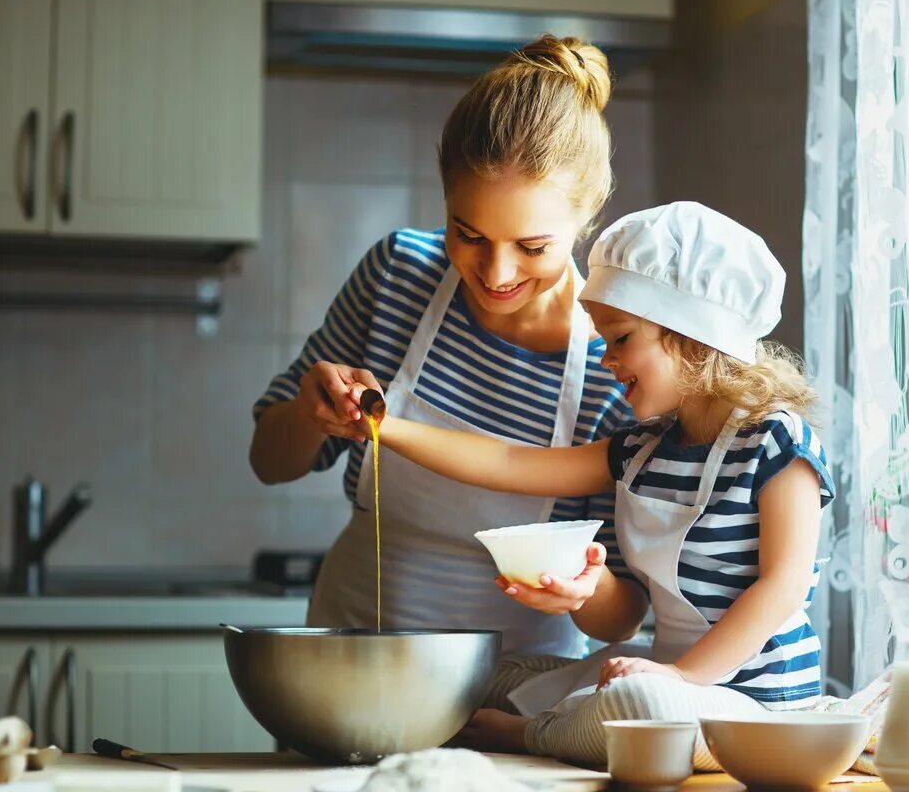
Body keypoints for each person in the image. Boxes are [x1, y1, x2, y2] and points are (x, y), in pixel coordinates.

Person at [366, 202, 836, 769]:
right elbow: (512, 462)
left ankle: (529, 734)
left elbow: (783, 586)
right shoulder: (642, 449)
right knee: (496, 672)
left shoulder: (777, 443)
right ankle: (567, 718)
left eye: (620, 338)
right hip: (667, 679)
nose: (607, 359)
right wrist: (381, 426)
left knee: (642, 702)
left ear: (689, 334)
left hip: (758, 707)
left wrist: (682, 677)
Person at [248, 36, 641, 684]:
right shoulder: (398, 276)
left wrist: (583, 590)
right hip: (348, 664)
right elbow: (268, 461)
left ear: (587, 214)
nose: (496, 272)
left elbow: (621, 614)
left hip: (514, 696)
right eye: (469, 234)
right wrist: (310, 412)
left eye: (533, 245)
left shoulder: (615, 360)